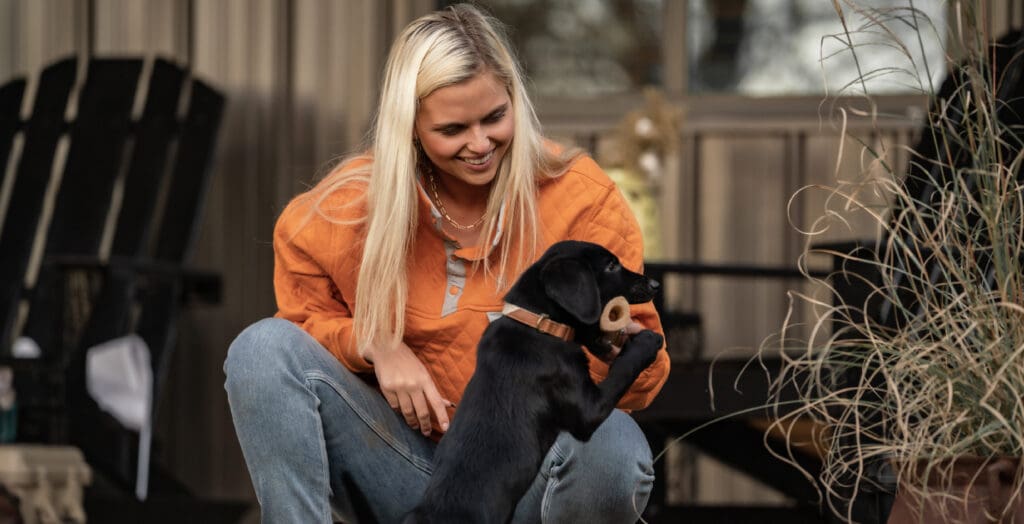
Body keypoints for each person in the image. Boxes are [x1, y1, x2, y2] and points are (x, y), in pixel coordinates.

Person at [224, 4, 671, 523]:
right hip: (397, 464)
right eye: (454, 128)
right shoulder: (343, 209)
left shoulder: (578, 198)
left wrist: (603, 336)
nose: (479, 144)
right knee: (260, 350)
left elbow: (643, 380)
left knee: (612, 445)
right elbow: (297, 332)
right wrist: (374, 343)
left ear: (515, 101)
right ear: (410, 127)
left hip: (521, 478)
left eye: (494, 117)